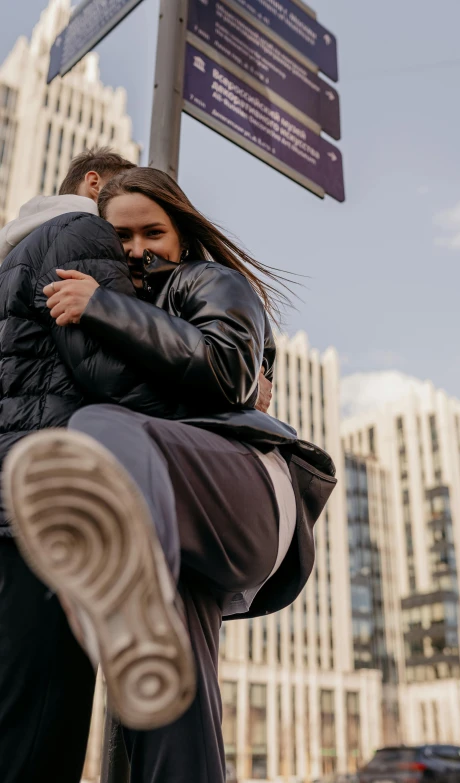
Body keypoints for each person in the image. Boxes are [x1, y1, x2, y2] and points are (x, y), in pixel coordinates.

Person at [0, 150, 273, 783]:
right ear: (95, 191)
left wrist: (104, 306)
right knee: (70, 724)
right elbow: (114, 383)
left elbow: (219, 369)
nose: (131, 251)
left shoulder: (205, 281)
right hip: (76, 511)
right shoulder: (72, 239)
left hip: (183, 498)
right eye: (119, 234)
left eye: (152, 233)